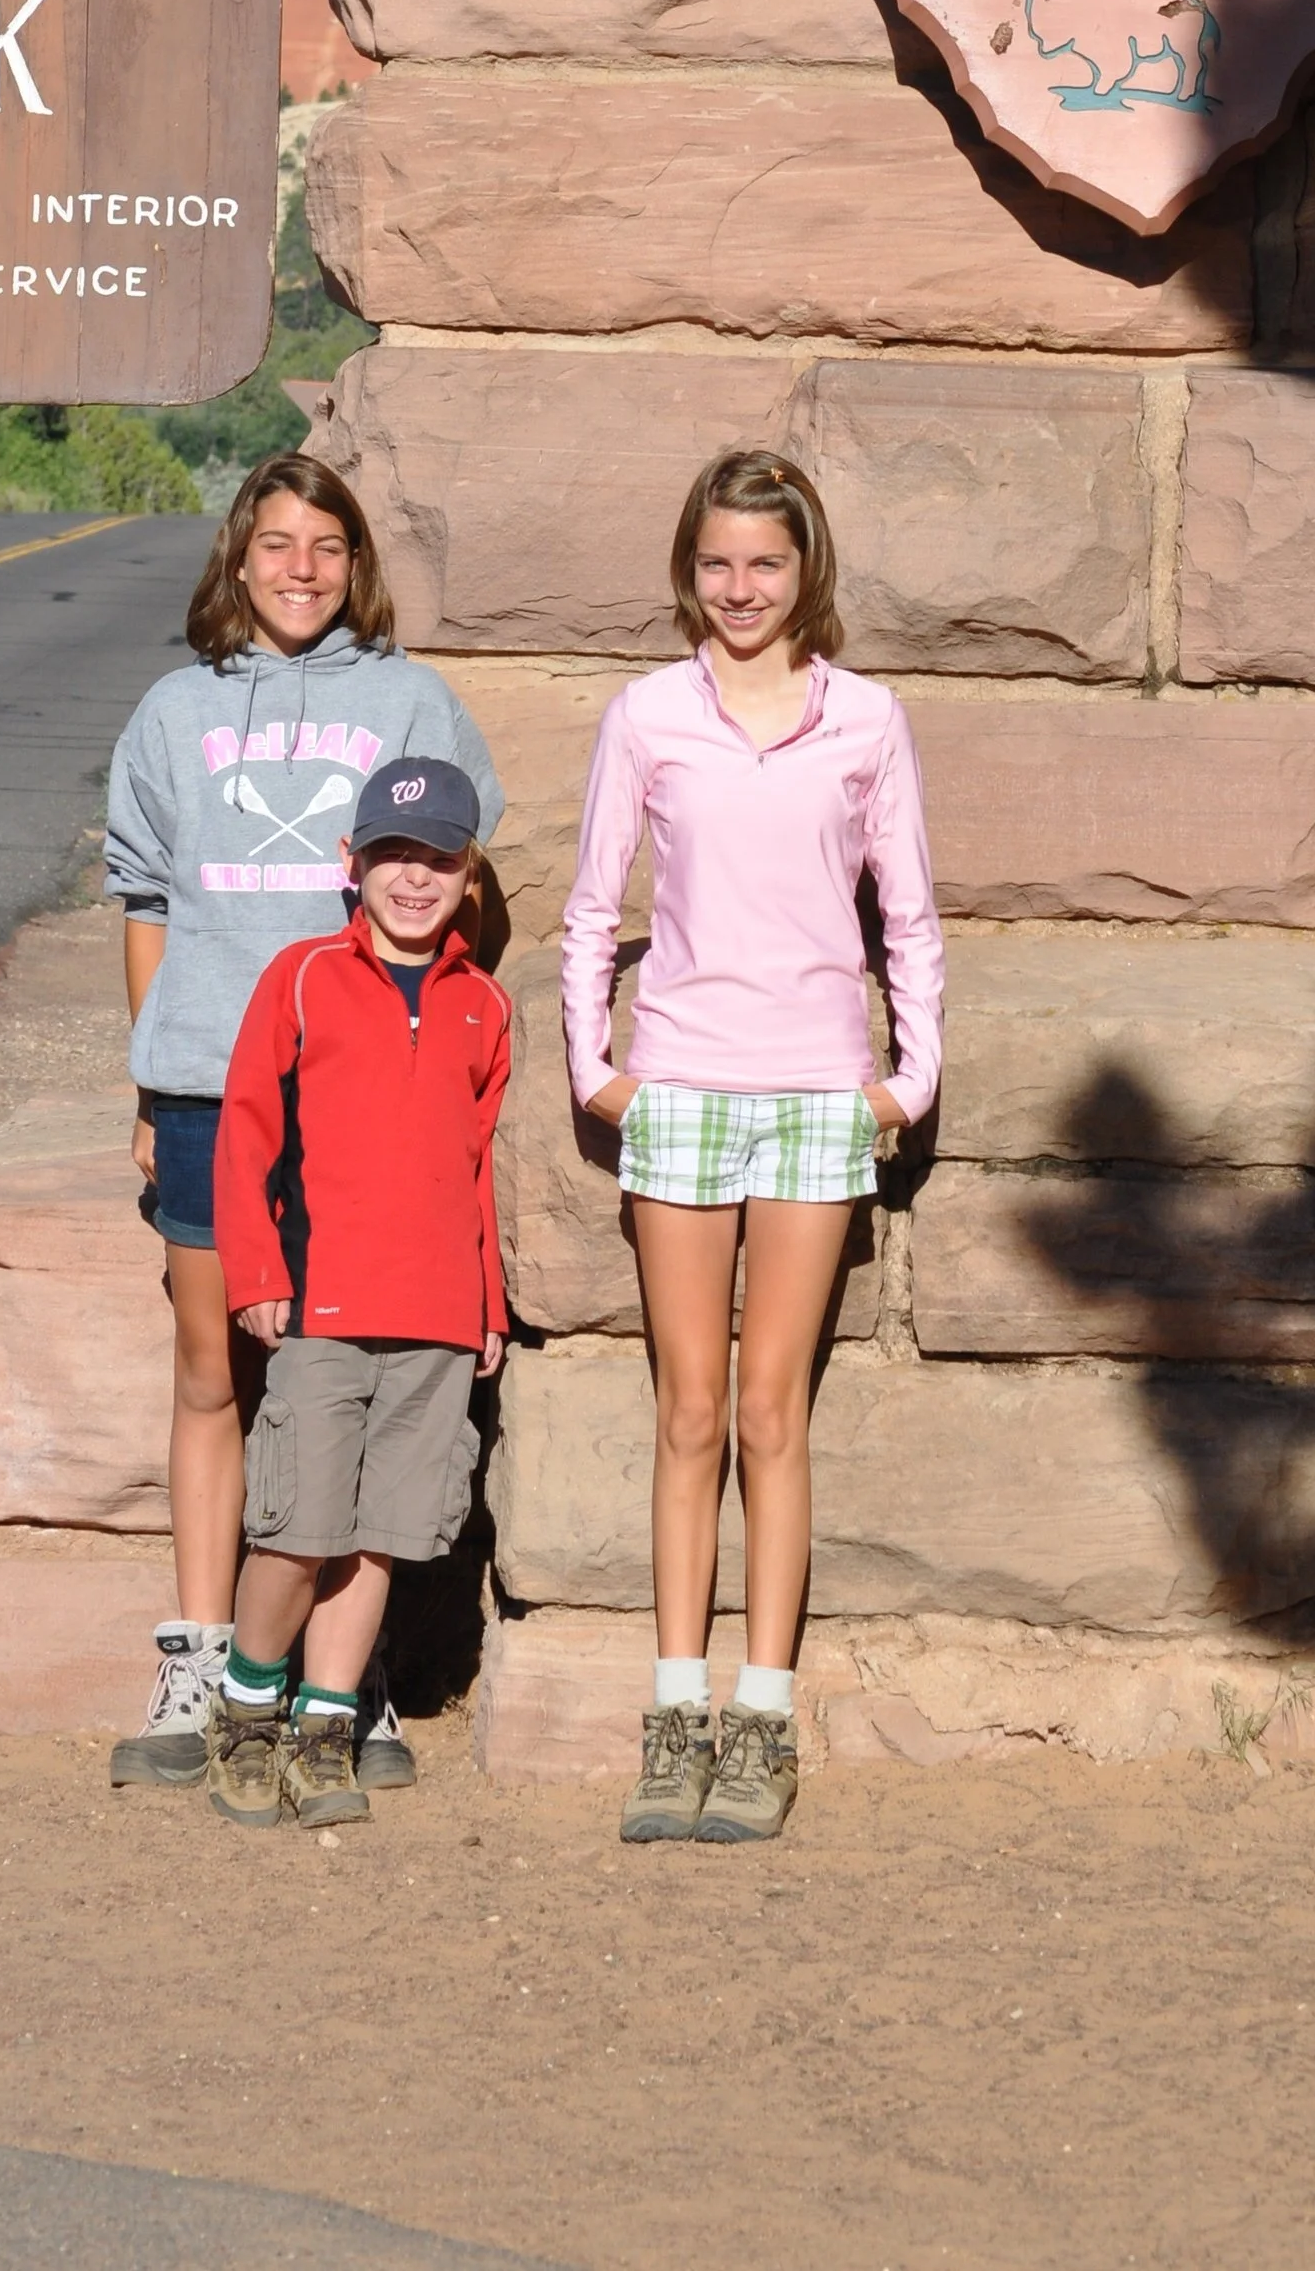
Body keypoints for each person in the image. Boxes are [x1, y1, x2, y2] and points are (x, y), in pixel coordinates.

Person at [100, 451, 502, 1788]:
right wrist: (154, 1079)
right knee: (220, 1373)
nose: (301, 569)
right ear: (237, 556)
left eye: (327, 545)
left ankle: (344, 1677)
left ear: (357, 562)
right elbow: (146, 904)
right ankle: (205, 1653)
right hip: (213, 1084)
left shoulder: (409, 701)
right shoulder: (170, 713)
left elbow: (460, 880)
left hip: (354, 1115)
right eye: (277, 543)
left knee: (346, 1383)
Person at [561, 447, 943, 1847]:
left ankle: (761, 1716)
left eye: (765, 565)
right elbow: (592, 904)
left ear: (805, 572)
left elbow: (906, 913)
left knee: (774, 1414)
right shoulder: (649, 716)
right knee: (689, 1415)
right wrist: (597, 1071)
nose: (740, 588)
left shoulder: (867, 721)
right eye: (719, 563)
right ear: (690, 569)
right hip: (683, 1093)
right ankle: (674, 1716)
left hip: (814, 1100)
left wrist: (910, 1077)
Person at [204, 753, 510, 1829]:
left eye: (437, 859)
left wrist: (487, 1304)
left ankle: (327, 1724)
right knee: (296, 1526)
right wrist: (256, 1271)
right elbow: (245, 1135)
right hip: (321, 1306)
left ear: (468, 872)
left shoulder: (483, 1003)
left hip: (434, 1317)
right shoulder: (300, 976)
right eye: (391, 856)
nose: (413, 879)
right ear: (352, 862)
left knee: (378, 1534)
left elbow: (478, 1168)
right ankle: (245, 1710)